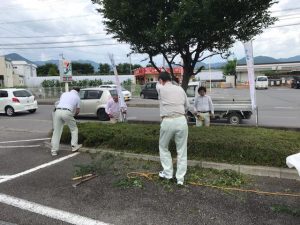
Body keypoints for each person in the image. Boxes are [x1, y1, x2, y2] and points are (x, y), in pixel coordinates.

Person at [156, 72, 189, 185]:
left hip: (168, 121)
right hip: (181, 120)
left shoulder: (160, 88)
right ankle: (180, 179)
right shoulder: (180, 89)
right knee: (182, 150)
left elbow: (158, 85)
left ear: (161, 80)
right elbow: (187, 105)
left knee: (163, 147)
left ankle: (168, 173)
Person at [51, 87, 82, 156]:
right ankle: (74, 146)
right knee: (74, 129)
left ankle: (54, 150)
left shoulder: (64, 94)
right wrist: (73, 115)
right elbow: (77, 111)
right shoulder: (77, 97)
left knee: (56, 131)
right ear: (78, 91)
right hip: (67, 112)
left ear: (71, 90)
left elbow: (60, 102)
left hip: (58, 111)